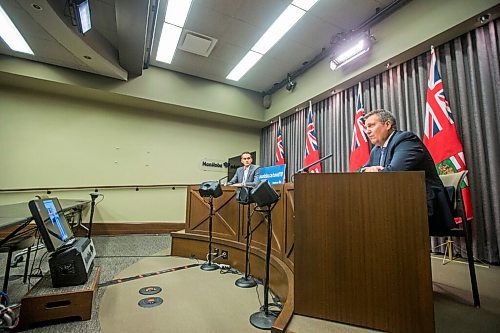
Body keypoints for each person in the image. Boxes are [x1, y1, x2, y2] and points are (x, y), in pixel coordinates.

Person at [362, 109, 455, 232]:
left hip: (424, 203)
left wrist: (376, 172)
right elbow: (362, 173)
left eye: (371, 125)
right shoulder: (377, 150)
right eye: (366, 127)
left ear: (387, 124)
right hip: (395, 202)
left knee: (375, 217)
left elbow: (393, 173)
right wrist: (367, 171)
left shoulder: (406, 140)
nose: (367, 131)